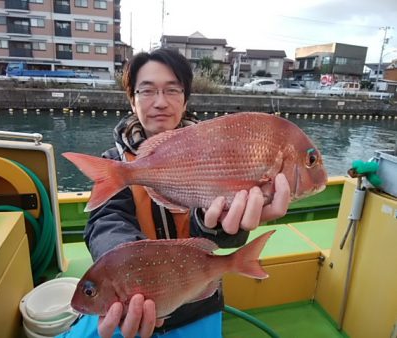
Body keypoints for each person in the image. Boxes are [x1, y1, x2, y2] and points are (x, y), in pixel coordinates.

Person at [59, 48, 291, 338]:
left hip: (197, 301)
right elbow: (105, 221)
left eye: (172, 90)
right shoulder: (115, 163)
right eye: (147, 91)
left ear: (185, 101)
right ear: (132, 100)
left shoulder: (218, 154)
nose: (160, 102)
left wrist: (216, 223)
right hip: (131, 303)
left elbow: (215, 236)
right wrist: (123, 275)